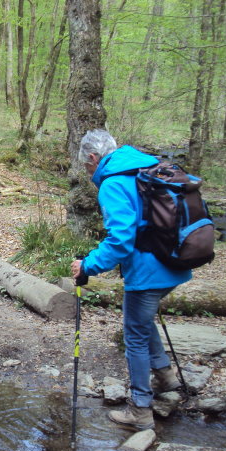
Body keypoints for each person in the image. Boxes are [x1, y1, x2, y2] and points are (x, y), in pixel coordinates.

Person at [71, 129, 188, 431]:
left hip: (148, 272)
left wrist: (87, 266)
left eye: (86, 166)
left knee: (134, 335)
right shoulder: (145, 170)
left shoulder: (113, 182)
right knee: (141, 319)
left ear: (94, 159)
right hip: (175, 263)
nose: (88, 172)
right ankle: (165, 376)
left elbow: (121, 241)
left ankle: (140, 409)